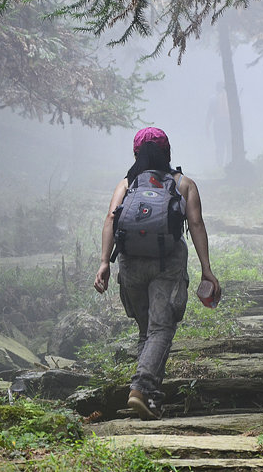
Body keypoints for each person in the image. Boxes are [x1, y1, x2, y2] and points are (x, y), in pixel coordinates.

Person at [94, 127, 221, 420]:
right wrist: (206, 270)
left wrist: (104, 262)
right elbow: (197, 225)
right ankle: (141, 387)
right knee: (161, 329)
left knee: (147, 331)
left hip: (130, 264)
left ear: (136, 154)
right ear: (167, 153)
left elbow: (110, 220)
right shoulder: (183, 183)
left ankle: (151, 399)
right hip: (167, 263)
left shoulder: (127, 184)